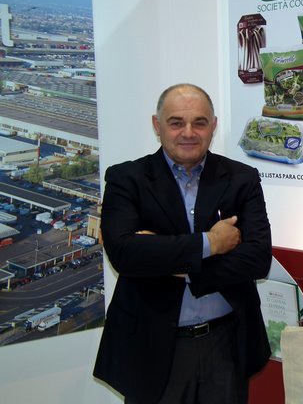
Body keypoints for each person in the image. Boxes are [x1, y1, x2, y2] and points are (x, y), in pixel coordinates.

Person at [93, 84, 272, 404]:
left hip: (227, 344)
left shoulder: (242, 178)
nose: (188, 132)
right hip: (153, 346)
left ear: (213, 126)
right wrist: (210, 243)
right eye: (176, 123)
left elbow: (257, 258)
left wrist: (177, 264)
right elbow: (124, 254)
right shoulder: (126, 179)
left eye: (199, 123)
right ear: (157, 125)